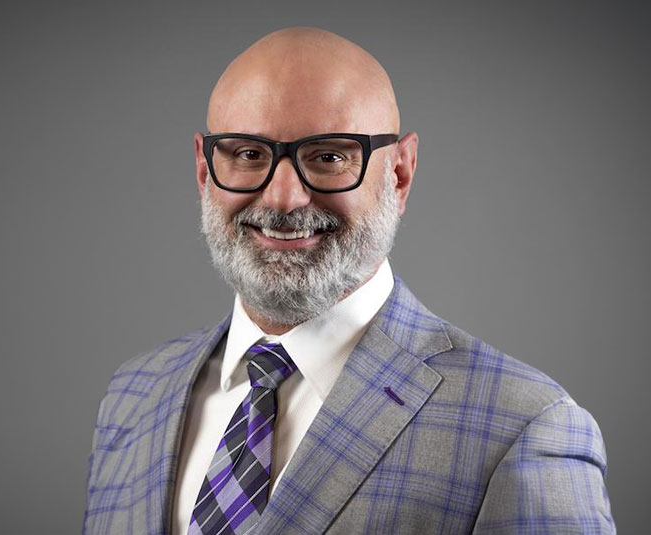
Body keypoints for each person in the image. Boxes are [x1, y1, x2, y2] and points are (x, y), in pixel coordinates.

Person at [83, 27, 615, 535]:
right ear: (204, 171)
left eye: (329, 156)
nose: (283, 199)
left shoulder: (522, 428)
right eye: (248, 154)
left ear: (400, 173)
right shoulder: (133, 397)